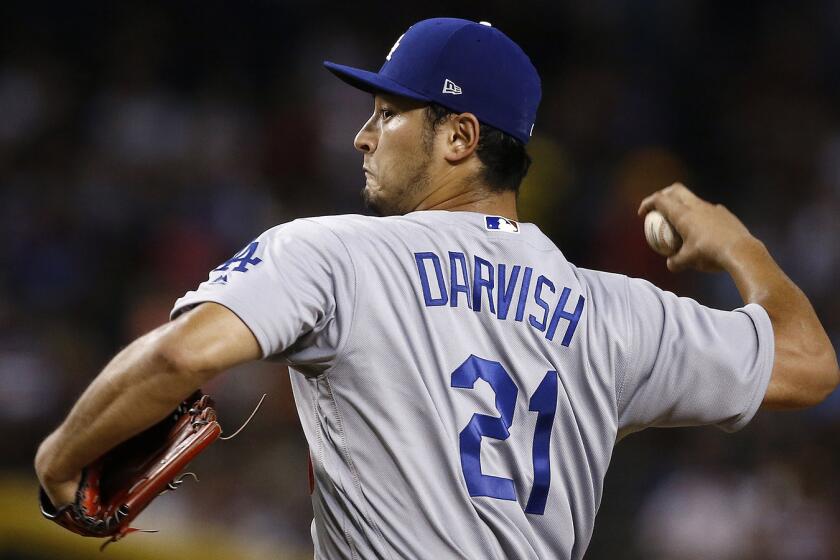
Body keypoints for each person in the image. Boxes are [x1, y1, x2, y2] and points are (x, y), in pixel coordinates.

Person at [35, 17, 838, 560]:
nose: (361, 134)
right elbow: (809, 364)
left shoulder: (336, 253)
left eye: (387, 112)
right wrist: (739, 243)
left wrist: (60, 457)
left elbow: (183, 356)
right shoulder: (615, 311)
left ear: (460, 136)